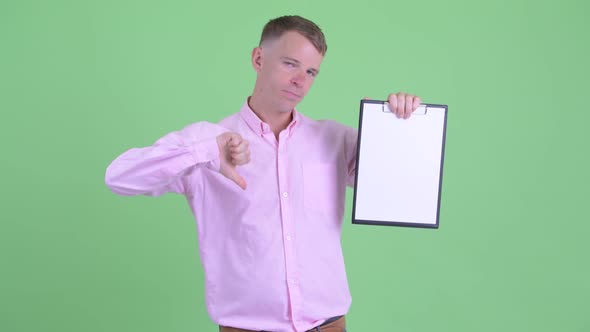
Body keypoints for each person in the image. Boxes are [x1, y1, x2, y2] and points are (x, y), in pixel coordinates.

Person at [105, 15, 421, 332]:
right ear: (258, 58)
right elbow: (119, 177)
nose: (301, 80)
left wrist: (397, 125)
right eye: (290, 64)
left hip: (329, 326)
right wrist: (206, 152)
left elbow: (406, 186)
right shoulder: (208, 140)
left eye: (311, 71)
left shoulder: (334, 140)